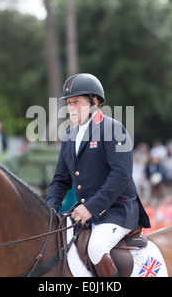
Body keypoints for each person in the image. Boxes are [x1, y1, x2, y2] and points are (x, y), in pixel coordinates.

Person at [46, 73, 150, 277]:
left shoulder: (114, 129)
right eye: (69, 103)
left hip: (117, 210)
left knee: (96, 248)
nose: (71, 108)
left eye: (76, 102)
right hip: (83, 210)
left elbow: (121, 175)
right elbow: (60, 180)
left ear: (95, 102)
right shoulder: (69, 136)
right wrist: (49, 210)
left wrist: (90, 208)